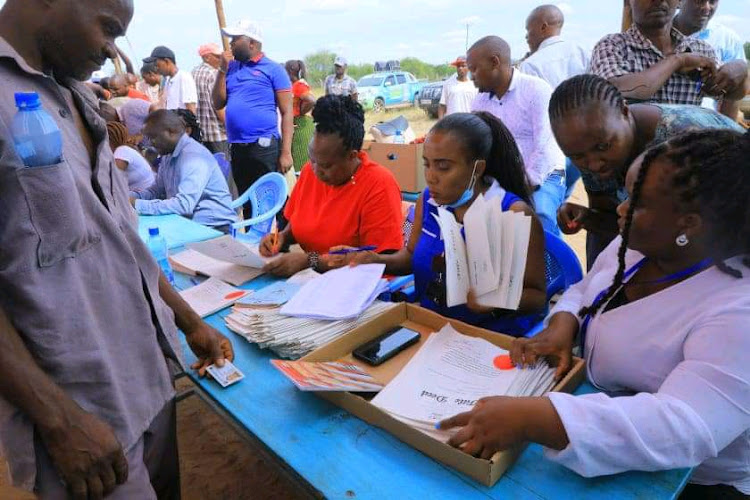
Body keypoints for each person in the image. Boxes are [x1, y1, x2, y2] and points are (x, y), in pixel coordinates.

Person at [0, 0, 234, 498]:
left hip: (149, 376)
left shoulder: (75, 96)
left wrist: (189, 322)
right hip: (85, 414)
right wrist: (59, 421)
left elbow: (122, 236)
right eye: (107, 29)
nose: (114, 55)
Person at [439, 128, 750, 498]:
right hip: (591, 411)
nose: (620, 207)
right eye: (624, 193)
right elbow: (586, 290)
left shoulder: (737, 312)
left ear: (690, 223)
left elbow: (684, 428)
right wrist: (563, 324)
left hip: (688, 481)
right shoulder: (637, 244)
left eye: (637, 201)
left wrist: (535, 418)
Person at [339, 112, 547, 337]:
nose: (431, 176)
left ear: (477, 169)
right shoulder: (428, 201)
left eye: (443, 167)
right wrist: (377, 260)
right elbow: (411, 257)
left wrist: (497, 299)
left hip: (489, 339)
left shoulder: (511, 213)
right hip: (431, 330)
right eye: (427, 164)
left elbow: (536, 297)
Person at [549, 74, 743, 267]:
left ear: (625, 112)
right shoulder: (592, 144)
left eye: (603, 147)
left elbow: (709, 231)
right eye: (577, 156)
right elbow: (612, 217)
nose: (593, 165)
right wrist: (588, 218)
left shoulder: (682, 143)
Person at [259, 95, 403, 278]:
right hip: (310, 280)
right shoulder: (308, 173)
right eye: (312, 160)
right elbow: (295, 226)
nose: (316, 170)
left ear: (352, 156)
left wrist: (309, 261)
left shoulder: (379, 185)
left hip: (353, 285)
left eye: (326, 165)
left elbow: (379, 263)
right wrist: (281, 238)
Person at [468, 36, 566, 235]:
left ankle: (551, 265)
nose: (471, 77)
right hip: (504, 176)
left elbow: (545, 147)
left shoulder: (536, 90)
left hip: (544, 175)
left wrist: (520, 188)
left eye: (474, 69)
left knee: (538, 216)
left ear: (495, 62)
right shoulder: (479, 102)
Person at [589, 0, 745, 107]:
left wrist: (740, 70)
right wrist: (678, 61)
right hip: (638, 154)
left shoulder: (700, 50)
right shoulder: (612, 45)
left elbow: (731, 93)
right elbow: (614, 89)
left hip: (689, 152)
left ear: (678, 1)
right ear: (628, 2)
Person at [213, 19, 294, 215]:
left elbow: (287, 112)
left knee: (269, 200)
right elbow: (217, 102)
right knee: (247, 199)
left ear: (252, 43)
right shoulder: (231, 68)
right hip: (238, 147)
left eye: (235, 38)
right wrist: (222, 70)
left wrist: (286, 152)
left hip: (263, 146)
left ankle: (276, 242)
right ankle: (254, 242)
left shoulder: (273, 70)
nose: (230, 43)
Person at [132, 110, 237, 231]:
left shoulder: (193, 157)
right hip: (187, 222)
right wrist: (126, 197)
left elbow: (183, 205)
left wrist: (137, 204)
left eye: (153, 137)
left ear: (171, 132)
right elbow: (156, 191)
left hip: (214, 226)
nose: (150, 143)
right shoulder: (167, 154)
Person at [673, 0, 749, 119]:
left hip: (706, 129)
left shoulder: (728, 40)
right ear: (679, 1)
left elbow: (733, 97)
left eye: (712, 1)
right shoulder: (658, 32)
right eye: (699, 1)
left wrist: (727, 133)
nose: (707, 8)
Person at [519, 4, 590, 89]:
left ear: (543, 27)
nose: (526, 36)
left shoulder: (530, 66)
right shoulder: (585, 52)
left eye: (528, 30)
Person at [192, 43, 228, 156]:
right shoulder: (214, 74)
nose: (221, 59)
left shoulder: (193, 73)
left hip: (203, 133)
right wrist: (231, 126)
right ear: (207, 57)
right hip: (218, 133)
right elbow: (219, 106)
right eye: (218, 56)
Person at [144, 45, 197, 113]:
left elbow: (191, 109)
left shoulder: (184, 77)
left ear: (167, 61)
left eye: (157, 66)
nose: (157, 69)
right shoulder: (168, 80)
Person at [285, 59, 315, 172]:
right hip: (296, 126)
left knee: (302, 163)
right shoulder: (293, 85)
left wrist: (300, 112)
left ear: (290, 71)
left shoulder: (299, 85)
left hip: (302, 126)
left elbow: (311, 100)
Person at [107, 121, 154, 192]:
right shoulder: (127, 149)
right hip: (144, 194)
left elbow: (110, 181)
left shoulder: (121, 152)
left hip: (144, 197)